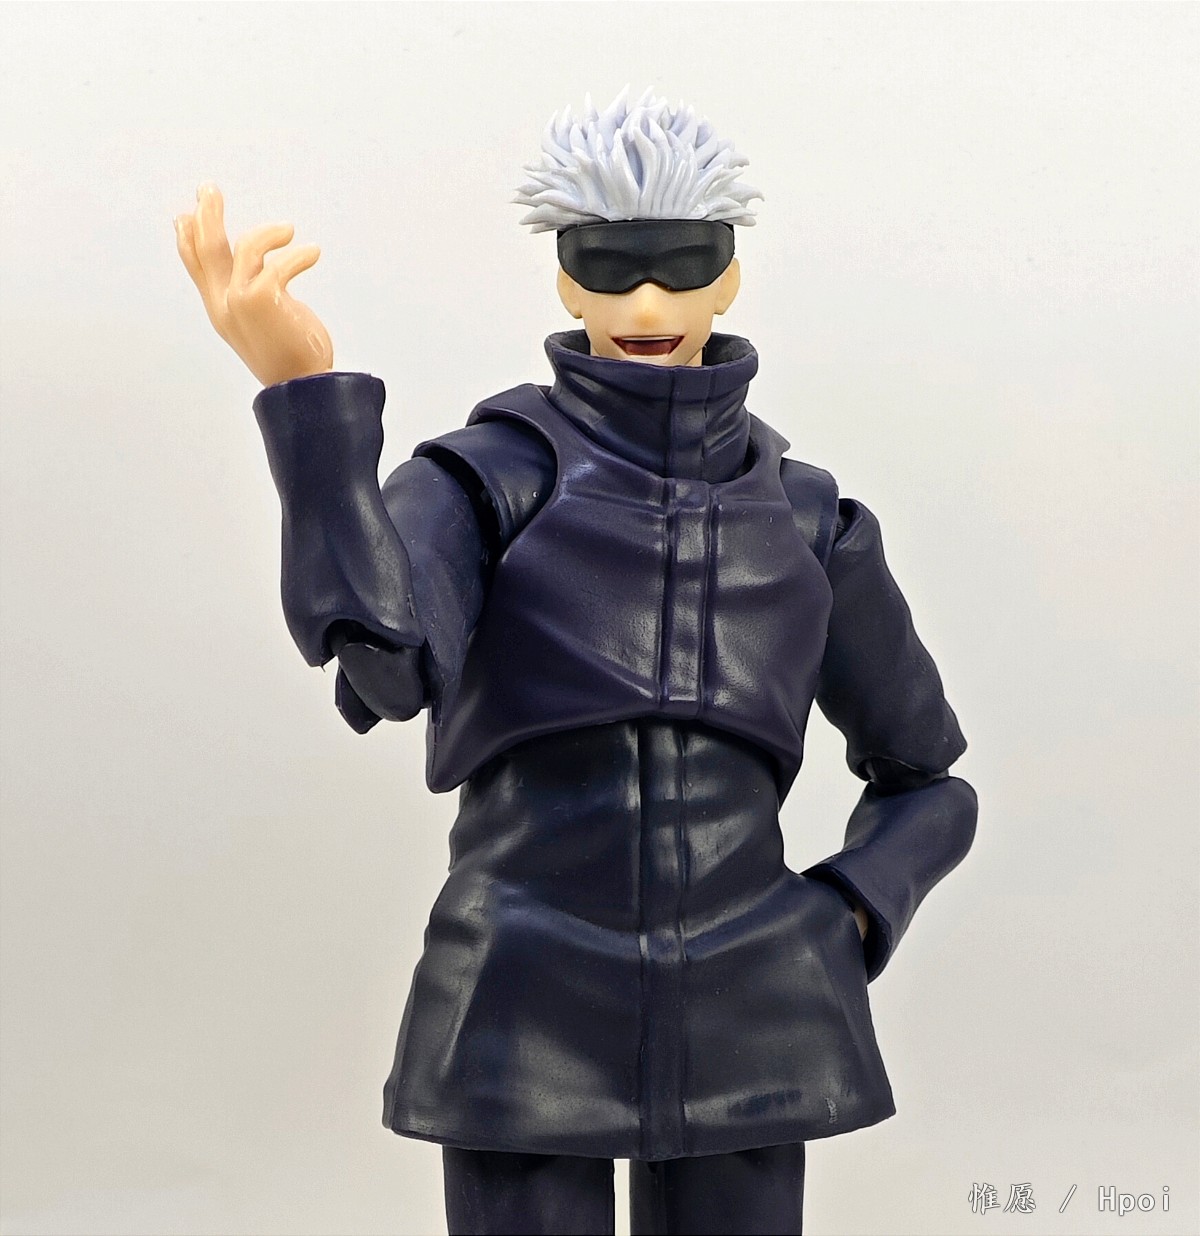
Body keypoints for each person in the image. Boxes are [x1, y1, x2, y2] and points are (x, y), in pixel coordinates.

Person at [175, 89, 977, 1236]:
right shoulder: (486, 479)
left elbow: (928, 778)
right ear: (565, 278)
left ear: (729, 276)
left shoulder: (809, 521)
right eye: (607, 263)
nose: (646, 302)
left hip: (754, 1002)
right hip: (522, 991)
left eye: (682, 262)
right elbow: (387, 667)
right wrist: (305, 399)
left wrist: (848, 912)